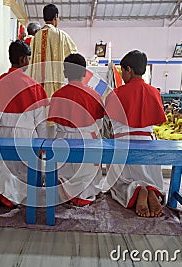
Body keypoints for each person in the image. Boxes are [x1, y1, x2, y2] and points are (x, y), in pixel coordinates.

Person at [0, 40, 49, 208]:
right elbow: (40, 121)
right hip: (26, 135)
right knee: (26, 169)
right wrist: (43, 142)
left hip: (3, 133)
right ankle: (15, 196)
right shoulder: (33, 86)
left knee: (1, 165)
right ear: (23, 60)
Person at [105, 50, 166, 217]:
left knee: (117, 183)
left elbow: (109, 120)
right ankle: (151, 190)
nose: (122, 75)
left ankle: (137, 191)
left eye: (122, 71)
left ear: (129, 69)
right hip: (148, 144)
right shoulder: (154, 92)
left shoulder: (117, 93)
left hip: (123, 144)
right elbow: (158, 121)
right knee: (150, 175)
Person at [48, 53, 105, 206]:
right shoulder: (94, 95)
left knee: (63, 170)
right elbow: (99, 124)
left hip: (63, 143)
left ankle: (63, 189)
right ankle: (84, 192)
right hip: (88, 141)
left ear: (65, 72)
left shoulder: (58, 95)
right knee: (88, 171)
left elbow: (52, 125)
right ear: (85, 73)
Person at [28, 3, 77, 98]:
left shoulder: (35, 37)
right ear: (56, 17)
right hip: (54, 84)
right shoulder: (61, 36)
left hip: (38, 84)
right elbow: (73, 56)